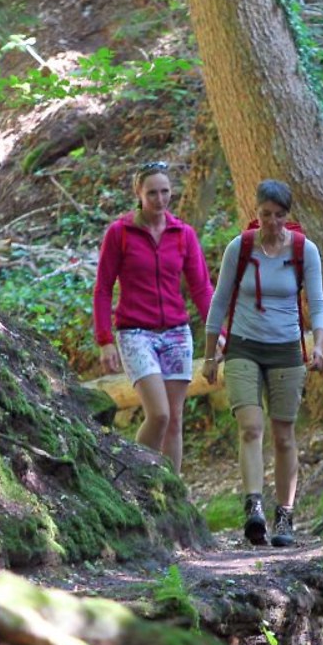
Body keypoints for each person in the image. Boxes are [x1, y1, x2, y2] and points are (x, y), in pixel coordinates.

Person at [201, 180, 323, 547]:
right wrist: (211, 356)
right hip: (243, 346)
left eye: (278, 216)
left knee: (284, 435)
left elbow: (317, 304)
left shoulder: (305, 251)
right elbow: (219, 301)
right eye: (265, 215)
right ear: (256, 212)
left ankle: (285, 516)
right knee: (251, 427)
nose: (271, 223)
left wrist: (318, 344)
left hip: (287, 349)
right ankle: (253, 507)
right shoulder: (239, 248)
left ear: (288, 216)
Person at [93, 162, 214, 476]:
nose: (160, 199)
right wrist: (105, 340)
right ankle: (134, 477)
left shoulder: (183, 234)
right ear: (138, 193)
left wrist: (219, 331)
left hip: (176, 333)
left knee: (174, 420)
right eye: (152, 193)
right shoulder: (120, 233)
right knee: (158, 415)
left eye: (165, 192)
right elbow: (103, 288)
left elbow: (201, 287)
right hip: (135, 333)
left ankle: (171, 492)